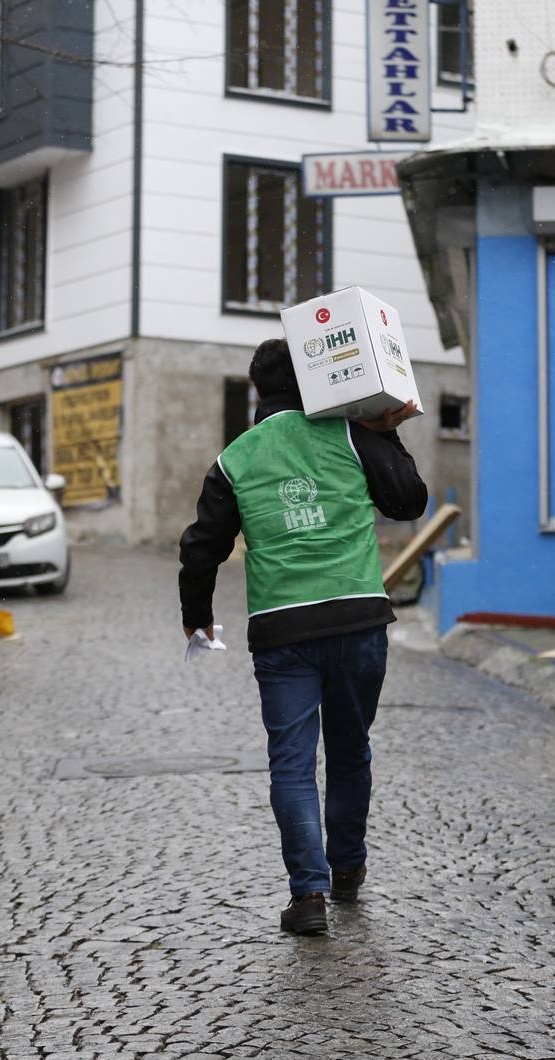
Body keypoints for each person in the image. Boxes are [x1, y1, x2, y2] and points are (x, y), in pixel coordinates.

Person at [178, 337, 426, 935]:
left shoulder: (235, 459)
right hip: (358, 619)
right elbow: (410, 500)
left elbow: (201, 547)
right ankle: (348, 869)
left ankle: (309, 895)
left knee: (290, 765)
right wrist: (385, 429)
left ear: (257, 391)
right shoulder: (352, 435)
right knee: (350, 749)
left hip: (282, 630)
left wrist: (198, 615)